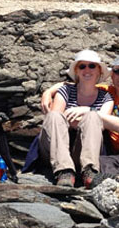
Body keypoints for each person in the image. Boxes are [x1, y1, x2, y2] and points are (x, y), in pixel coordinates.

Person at [38, 50, 114, 187]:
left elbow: (102, 124)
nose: (87, 70)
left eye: (92, 66)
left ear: (99, 71)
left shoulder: (106, 98)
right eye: (82, 66)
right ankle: (64, 171)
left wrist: (86, 112)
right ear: (77, 71)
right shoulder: (65, 91)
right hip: (57, 148)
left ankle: (89, 171)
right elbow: (57, 122)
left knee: (93, 116)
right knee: (54, 116)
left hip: (82, 148)